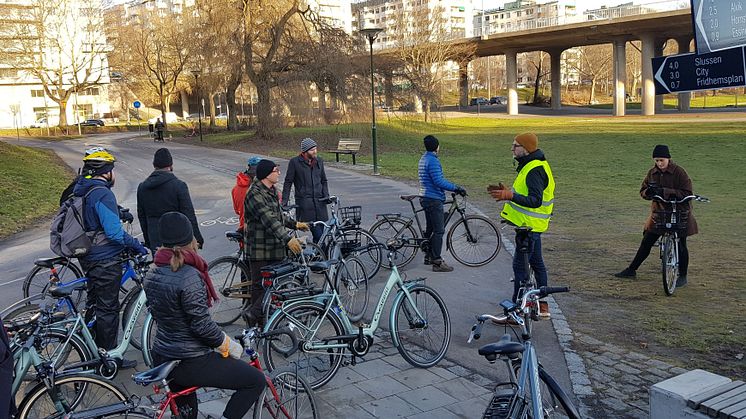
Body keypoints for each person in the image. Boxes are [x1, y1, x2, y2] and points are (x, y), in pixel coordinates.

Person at [144, 212, 265, 419]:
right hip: (190, 360)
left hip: (163, 356)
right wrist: (228, 345)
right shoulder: (189, 276)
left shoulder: (153, 272)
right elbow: (201, 326)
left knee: (186, 413)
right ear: (189, 241)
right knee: (255, 381)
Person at [74, 147, 148, 365]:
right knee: (108, 309)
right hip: (104, 258)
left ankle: (92, 349)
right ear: (106, 171)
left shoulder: (83, 189)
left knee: (96, 305)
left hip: (88, 254)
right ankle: (109, 359)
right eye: (112, 169)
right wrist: (136, 245)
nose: (113, 174)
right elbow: (114, 232)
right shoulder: (102, 192)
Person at [489, 133, 555, 319]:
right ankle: (543, 306)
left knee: (520, 269)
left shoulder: (534, 169)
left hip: (529, 229)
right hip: (532, 227)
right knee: (537, 264)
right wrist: (507, 193)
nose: (512, 149)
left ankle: (516, 313)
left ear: (526, 149)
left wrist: (510, 196)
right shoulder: (533, 165)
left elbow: (535, 200)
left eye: (515, 145)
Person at [614, 145, 698, 287]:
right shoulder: (652, 173)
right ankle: (631, 270)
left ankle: (682, 276)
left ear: (668, 159)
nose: (659, 163)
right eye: (657, 160)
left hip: (679, 212)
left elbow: (687, 192)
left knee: (682, 244)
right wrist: (649, 193)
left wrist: (665, 191)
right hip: (659, 213)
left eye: (662, 160)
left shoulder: (679, 172)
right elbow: (643, 190)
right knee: (647, 240)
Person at [245, 159, 309, 325]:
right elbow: (269, 219)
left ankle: (262, 318)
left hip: (274, 247)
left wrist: (295, 224)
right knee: (260, 286)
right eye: (276, 170)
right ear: (267, 174)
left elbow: (278, 215)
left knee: (275, 283)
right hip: (260, 248)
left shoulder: (271, 190)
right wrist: (288, 239)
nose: (279, 173)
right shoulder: (254, 194)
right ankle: (254, 319)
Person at [137, 148, 204, 253]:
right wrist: (197, 237)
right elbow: (189, 214)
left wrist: (148, 240)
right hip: (179, 240)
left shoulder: (142, 188)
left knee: (161, 267)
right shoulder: (178, 186)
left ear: (154, 165)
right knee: (183, 268)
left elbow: (142, 217)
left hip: (155, 238)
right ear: (170, 165)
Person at [418, 135, 466, 272]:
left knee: (431, 229)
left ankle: (428, 256)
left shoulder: (424, 158)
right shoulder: (432, 161)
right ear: (437, 147)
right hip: (433, 199)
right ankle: (437, 262)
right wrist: (456, 188)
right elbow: (438, 181)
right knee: (439, 230)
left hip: (425, 196)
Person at [281, 138, 329, 243]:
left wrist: (326, 196)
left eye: (316, 149)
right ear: (305, 151)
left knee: (322, 235)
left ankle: (318, 256)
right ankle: (323, 255)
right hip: (306, 205)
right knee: (319, 235)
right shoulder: (295, 162)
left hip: (320, 204)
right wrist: (284, 201)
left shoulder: (319, 161)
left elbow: (324, 180)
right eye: (312, 150)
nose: (315, 151)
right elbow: (288, 182)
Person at [232, 156, 262, 236]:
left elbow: (236, 210)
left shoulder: (235, 189)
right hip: (257, 230)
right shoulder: (257, 189)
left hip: (242, 228)